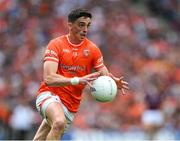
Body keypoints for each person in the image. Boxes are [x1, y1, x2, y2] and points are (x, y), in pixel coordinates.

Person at [33, 8, 129, 141]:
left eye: (87, 26)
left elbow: (103, 72)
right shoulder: (56, 45)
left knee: (41, 137)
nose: (85, 29)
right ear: (70, 25)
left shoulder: (93, 49)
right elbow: (49, 78)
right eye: (81, 24)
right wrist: (77, 80)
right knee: (59, 123)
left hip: (70, 104)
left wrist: (112, 81)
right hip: (49, 94)